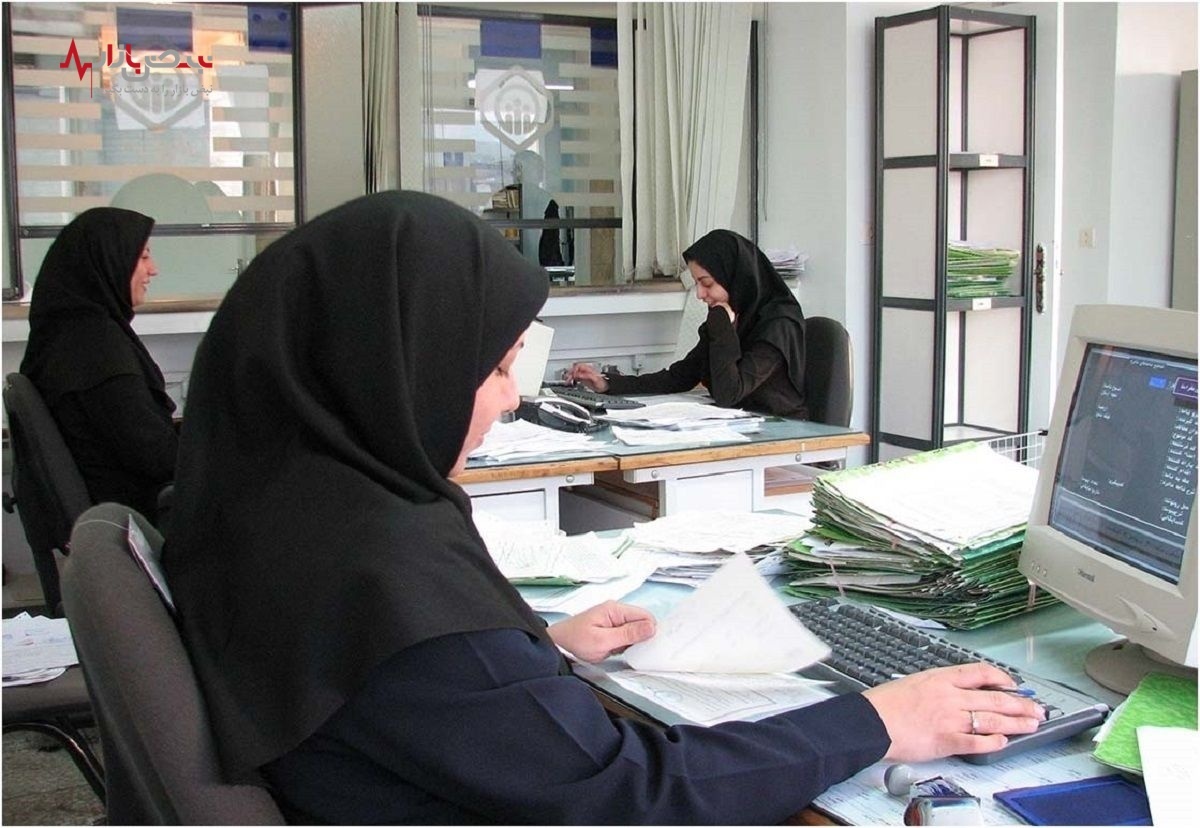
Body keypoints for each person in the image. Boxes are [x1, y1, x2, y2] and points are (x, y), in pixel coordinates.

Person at [162, 191, 1043, 824]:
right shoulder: (384, 579)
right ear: (392, 368)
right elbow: (634, 793)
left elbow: (403, 687)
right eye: (495, 366)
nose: (509, 397)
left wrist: (532, 650)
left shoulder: (272, 505)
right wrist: (879, 721)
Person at [20, 207, 177, 524]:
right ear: (109, 261)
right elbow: (159, 459)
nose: (154, 269)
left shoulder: (68, 333)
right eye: (143, 257)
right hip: (139, 516)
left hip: (113, 508)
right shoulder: (97, 352)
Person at [567, 228, 809, 418]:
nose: (700, 294)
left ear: (735, 277)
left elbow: (729, 392)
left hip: (783, 437)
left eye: (707, 283)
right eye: (697, 283)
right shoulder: (732, 317)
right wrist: (606, 384)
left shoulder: (779, 325)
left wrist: (722, 325)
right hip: (740, 429)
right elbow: (680, 376)